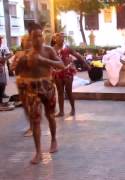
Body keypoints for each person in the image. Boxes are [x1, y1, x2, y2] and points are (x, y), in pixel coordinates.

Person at [15, 23, 65, 164]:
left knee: (50, 116)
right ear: (30, 38)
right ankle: (38, 152)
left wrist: (44, 60)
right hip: (32, 89)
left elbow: (61, 65)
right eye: (34, 36)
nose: (38, 39)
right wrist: (22, 62)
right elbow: (17, 72)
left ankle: (54, 139)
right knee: (36, 120)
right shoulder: (25, 54)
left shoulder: (48, 50)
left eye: (40, 35)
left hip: (47, 87)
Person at [52, 33, 90, 117]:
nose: (61, 39)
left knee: (69, 91)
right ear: (55, 39)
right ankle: (61, 111)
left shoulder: (67, 48)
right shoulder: (52, 49)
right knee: (60, 92)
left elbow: (77, 55)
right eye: (59, 38)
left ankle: (73, 109)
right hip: (57, 72)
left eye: (62, 37)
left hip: (67, 71)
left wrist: (85, 64)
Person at [11, 34, 33, 137]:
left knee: (32, 105)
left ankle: (33, 127)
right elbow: (12, 68)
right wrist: (16, 64)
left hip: (33, 82)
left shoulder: (36, 53)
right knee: (25, 105)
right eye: (24, 40)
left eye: (28, 40)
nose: (26, 42)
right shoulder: (18, 53)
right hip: (21, 81)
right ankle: (31, 125)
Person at [0, 36, 13, 111]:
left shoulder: (3, 46)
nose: (1, 40)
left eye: (1, 39)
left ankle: (1, 96)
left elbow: (10, 54)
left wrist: (4, 59)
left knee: (3, 83)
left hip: (2, 67)